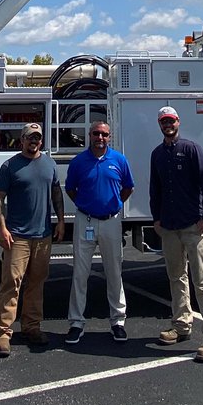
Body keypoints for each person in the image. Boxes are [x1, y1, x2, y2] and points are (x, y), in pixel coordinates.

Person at [149, 105, 203, 363]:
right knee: (176, 277)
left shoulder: (191, 149)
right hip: (168, 227)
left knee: (202, 280)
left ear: (178, 122)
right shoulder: (157, 154)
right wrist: (156, 219)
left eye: (171, 120)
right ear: (159, 124)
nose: (167, 124)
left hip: (193, 225)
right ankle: (181, 325)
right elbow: (155, 189)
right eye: (163, 121)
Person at [0, 122, 64, 358]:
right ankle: (2, 334)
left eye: (37, 138)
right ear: (21, 139)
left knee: (37, 283)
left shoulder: (49, 164)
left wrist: (60, 221)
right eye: (30, 137)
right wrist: (2, 229)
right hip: (17, 236)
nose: (34, 141)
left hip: (42, 236)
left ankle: (32, 327)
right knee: (11, 284)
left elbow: (56, 193)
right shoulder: (10, 166)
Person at [65, 120, 134, 345]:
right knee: (80, 273)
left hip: (111, 222)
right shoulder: (78, 162)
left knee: (114, 272)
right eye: (96, 134)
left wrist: (112, 205)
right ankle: (76, 322)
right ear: (89, 135)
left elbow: (128, 188)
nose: (100, 138)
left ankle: (118, 321)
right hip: (85, 220)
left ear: (109, 137)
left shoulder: (119, 160)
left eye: (104, 134)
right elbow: (71, 189)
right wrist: (87, 206)